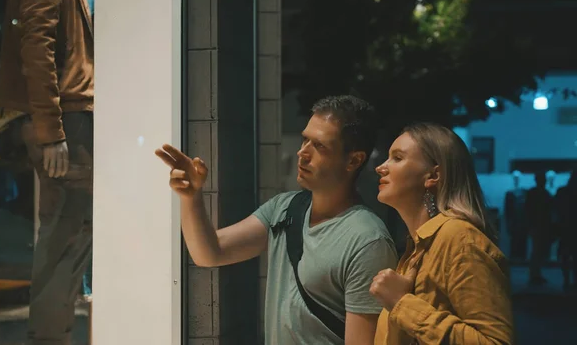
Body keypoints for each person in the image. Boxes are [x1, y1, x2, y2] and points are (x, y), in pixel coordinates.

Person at [156, 95, 398, 345]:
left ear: (353, 160)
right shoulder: (285, 208)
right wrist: (191, 196)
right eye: (305, 139)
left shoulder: (367, 241)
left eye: (320, 146)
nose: (302, 153)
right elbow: (209, 252)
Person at [0, 0, 94, 344]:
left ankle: (53, 336)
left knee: (72, 233)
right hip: (69, 116)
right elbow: (36, 44)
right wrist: (51, 131)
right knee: (67, 233)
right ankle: (49, 339)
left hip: (75, 113)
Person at [369, 123, 513, 345]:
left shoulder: (459, 238)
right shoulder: (419, 245)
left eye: (397, 158)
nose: (381, 167)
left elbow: (496, 341)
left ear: (433, 175)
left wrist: (402, 303)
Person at [525, 171, 554, 284]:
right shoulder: (543, 194)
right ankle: (535, 274)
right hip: (539, 225)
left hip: (538, 225)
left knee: (537, 250)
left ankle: (535, 274)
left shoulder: (534, 193)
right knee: (538, 250)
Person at [555, 171, 577, 290]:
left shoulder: (562, 192)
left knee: (565, 255)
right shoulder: (565, 192)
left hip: (565, 227)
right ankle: (571, 281)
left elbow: (556, 209)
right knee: (571, 255)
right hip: (570, 227)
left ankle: (567, 280)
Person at [504, 170, 528, 261]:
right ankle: (515, 256)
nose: (516, 180)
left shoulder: (524, 192)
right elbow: (507, 210)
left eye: (517, 178)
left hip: (522, 221)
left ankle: (521, 256)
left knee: (521, 239)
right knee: (515, 239)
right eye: (515, 178)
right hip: (514, 221)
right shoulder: (510, 193)